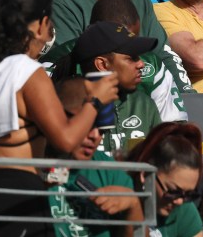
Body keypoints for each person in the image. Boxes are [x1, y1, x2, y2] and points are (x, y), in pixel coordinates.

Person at [0, 0, 121, 237]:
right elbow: (66, 140)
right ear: (40, 25)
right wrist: (96, 101)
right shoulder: (28, 72)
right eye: (50, 25)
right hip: (17, 202)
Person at [41, 78, 145, 234]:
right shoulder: (26, 160)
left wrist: (133, 206)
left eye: (103, 129)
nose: (95, 136)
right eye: (88, 124)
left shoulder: (111, 173)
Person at [70, 21, 163, 154]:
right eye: (132, 58)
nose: (141, 64)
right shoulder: (68, 105)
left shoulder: (144, 104)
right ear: (102, 65)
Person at [128, 122, 203, 237]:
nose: (179, 201)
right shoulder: (120, 196)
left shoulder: (184, 210)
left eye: (189, 194)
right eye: (173, 192)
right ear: (145, 175)